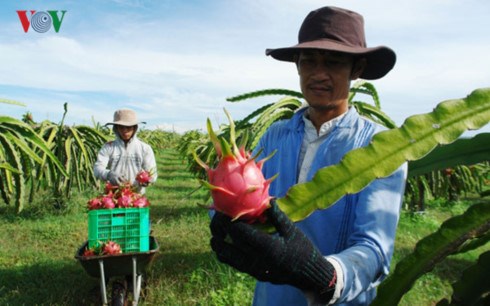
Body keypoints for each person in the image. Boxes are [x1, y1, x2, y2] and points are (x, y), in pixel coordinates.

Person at [209, 6, 407, 305]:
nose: (319, 74)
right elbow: (245, 200)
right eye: (309, 61)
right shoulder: (275, 135)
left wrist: (324, 276)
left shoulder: (381, 147)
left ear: (357, 70)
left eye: (334, 62)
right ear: (297, 67)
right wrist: (226, 221)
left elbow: (375, 251)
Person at [94, 108, 157, 193]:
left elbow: (152, 173)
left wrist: (148, 180)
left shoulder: (145, 148)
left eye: (128, 127)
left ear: (135, 128)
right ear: (116, 128)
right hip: (112, 195)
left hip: (136, 196)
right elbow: (97, 169)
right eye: (121, 127)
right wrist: (109, 174)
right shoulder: (108, 147)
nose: (125, 130)